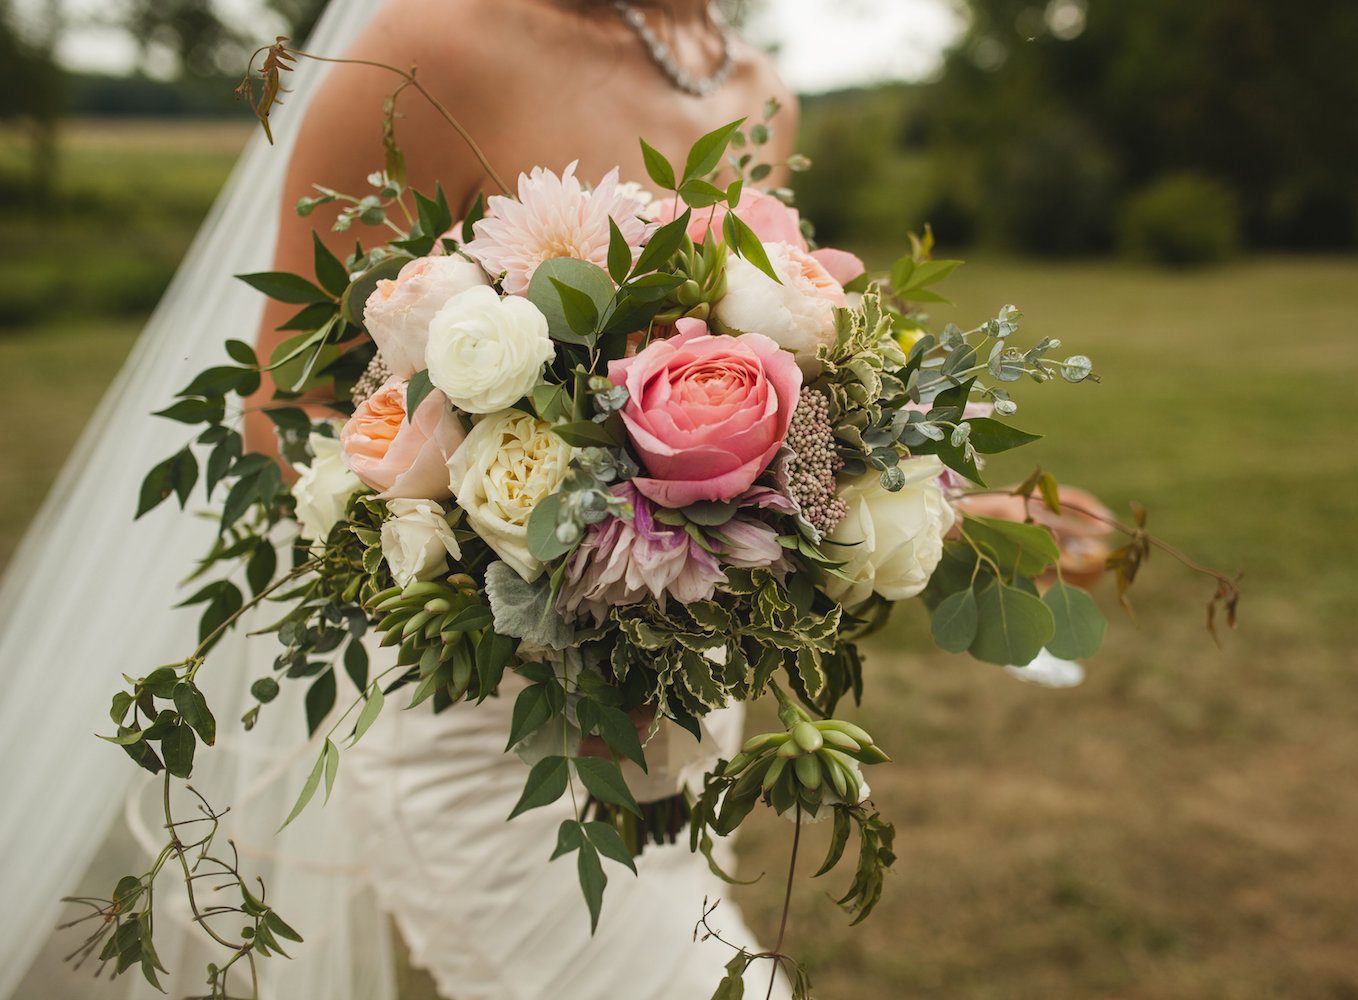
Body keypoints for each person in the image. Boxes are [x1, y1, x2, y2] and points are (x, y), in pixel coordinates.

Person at [0, 2, 795, 998]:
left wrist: (925, 501)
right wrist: (523, 566)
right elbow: (285, 404)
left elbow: (783, 379)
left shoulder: (760, 91)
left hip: (686, 716)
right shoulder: (434, 51)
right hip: (492, 726)